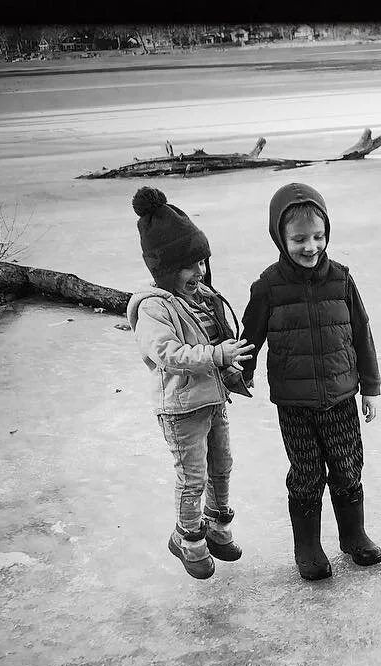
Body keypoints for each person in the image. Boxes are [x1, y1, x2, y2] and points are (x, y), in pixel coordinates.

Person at [238, 182, 381, 581]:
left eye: (318, 237)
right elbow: (250, 336)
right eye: (299, 238)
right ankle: (308, 547)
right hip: (294, 402)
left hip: (340, 396)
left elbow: (361, 331)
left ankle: (354, 536)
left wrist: (369, 386)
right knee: (305, 473)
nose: (311, 246)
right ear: (280, 238)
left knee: (347, 467)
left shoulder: (341, 280)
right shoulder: (268, 285)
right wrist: (241, 373)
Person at [128, 186, 254, 580]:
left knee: (223, 465)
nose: (198, 272)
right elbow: (168, 353)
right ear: (164, 268)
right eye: (188, 266)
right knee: (192, 478)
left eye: (201, 262)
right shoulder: (153, 307)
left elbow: (214, 341)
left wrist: (231, 370)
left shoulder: (200, 298)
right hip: (181, 409)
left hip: (211, 401)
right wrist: (216, 358)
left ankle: (217, 529)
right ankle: (188, 538)